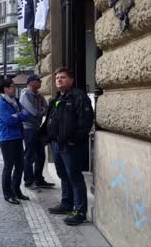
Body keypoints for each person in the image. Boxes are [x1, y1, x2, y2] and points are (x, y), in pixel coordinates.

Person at [45, 67, 93, 226]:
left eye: (63, 77)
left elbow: (85, 122)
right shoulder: (57, 98)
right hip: (57, 144)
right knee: (63, 175)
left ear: (71, 80)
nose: (59, 80)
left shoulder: (79, 96)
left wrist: (73, 140)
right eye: (57, 77)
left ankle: (80, 212)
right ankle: (67, 203)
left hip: (70, 145)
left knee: (75, 177)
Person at [0, 79, 30, 205]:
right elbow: (9, 121)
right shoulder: (0, 103)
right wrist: (18, 116)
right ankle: (7, 194)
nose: (14, 89)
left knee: (20, 166)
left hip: (17, 137)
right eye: (12, 87)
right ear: (5, 89)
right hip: (7, 139)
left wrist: (17, 116)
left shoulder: (14, 102)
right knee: (8, 167)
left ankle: (16, 191)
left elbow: (26, 115)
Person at [20, 74, 55, 189]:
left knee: (41, 155)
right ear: (30, 83)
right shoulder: (25, 95)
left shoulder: (39, 96)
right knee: (29, 156)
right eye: (38, 80)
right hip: (28, 128)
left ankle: (39, 179)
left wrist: (41, 110)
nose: (40, 82)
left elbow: (47, 109)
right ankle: (28, 181)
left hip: (37, 128)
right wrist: (41, 110)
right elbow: (34, 112)